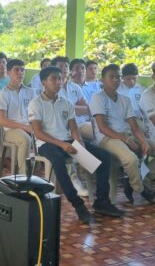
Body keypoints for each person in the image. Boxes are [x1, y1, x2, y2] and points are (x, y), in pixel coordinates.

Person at [29, 67, 125, 224]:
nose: (58, 82)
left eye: (60, 78)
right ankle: (78, 204)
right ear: (44, 82)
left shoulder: (66, 103)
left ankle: (102, 202)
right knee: (58, 160)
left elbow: (73, 128)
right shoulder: (36, 103)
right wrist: (63, 145)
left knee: (104, 157)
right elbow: (38, 133)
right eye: (54, 78)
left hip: (67, 141)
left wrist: (79, 143)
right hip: (47, 144)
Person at [91, 64, 155, 204]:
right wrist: (126, 140)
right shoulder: (98, 98)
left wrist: (143, 141)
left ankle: (134, 180)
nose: (116, 80)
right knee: (131, 159)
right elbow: (102, 128)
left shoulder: (125, 99)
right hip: (107, 138)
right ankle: (142, 190)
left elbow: (134, 126)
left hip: (127, 134)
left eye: (117, 77)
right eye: (111, 77)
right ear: (102, 80)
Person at [0, 59, 37, 175]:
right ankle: (24, 175)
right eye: (16, 70)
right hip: (11, 130)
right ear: (8, 73)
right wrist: (24, 127)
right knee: (25, 139)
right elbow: (2, 121)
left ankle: (51, 176)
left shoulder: (31, 92)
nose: (20, 73)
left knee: (54, 134)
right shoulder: (3, 94)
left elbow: (37, 114)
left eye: (22, 70)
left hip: (29, 127)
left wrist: (33, 126)